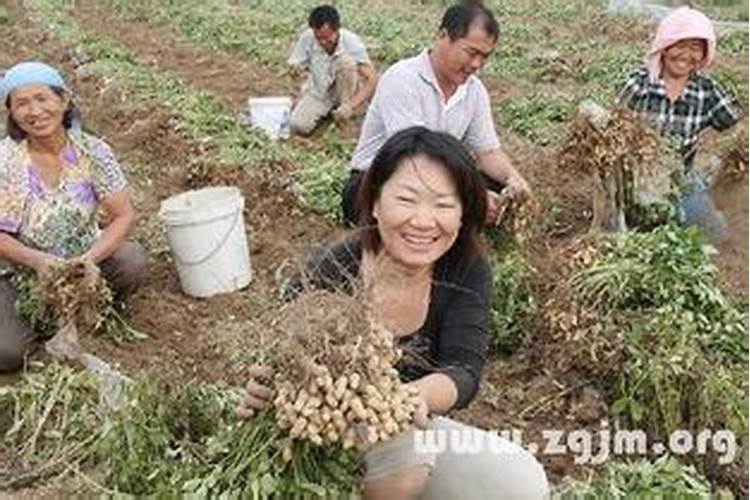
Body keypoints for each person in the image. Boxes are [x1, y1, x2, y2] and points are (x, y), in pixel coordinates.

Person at [238, 127, 549, 499]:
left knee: (518, 481)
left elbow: (463, 371)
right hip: (319, 433)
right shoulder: (327, 271)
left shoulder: (465, 268)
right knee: (406, 449)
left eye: (444, 204)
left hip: (402, 420)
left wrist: (405, 398)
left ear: (463, 212)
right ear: (374, 201)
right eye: (407, 199)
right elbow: (274, 361)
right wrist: (268, 384)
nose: (423, 220)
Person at [0, 61, 146, 372]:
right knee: (7, 352)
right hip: (20, 273)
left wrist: (89, 259)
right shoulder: (6, 161)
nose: (34, 111)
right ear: (10, 112)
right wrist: (38, 262)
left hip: (82, 262)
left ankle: (79, 307)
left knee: (131, 259)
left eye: (42, 99)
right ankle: (45, 319)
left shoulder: (93, 152)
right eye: (22, 103)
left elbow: (123, 215)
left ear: (64, 101)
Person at [340, 2, 531, 226]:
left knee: (500, 188)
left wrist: (514, 179)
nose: (476, 64)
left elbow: (487, 151)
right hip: (381, 178)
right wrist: (472, 196)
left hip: (435, 178)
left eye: (484, 57)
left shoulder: (474, 91)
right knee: (417, 197)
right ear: (442, 36)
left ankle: (456, 213)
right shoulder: (403, 79)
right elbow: (412, 158)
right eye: (471, 52)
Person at [617, 6, 739, 238]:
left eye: (695, 48)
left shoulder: (706, 91)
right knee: (633, 234)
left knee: (717, 234)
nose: (685, 55)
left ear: (704, 55)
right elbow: (612, 133)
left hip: (680, 182)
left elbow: (734, 124)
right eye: (679, 45)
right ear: (664, 46)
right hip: (636, 182)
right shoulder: (638, 86)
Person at [287, 5, 378, 135]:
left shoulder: (351, 41)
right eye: (318, 38)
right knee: (298, 125)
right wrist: (295, 71)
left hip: (346, 90)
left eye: (327, 38)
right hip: (320, 91)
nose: (323, 42)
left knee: (345, 62)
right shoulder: (308, 38)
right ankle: (329, 112)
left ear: (337, 30)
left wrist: (351, 104)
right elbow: (295, 66)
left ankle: (343, 111)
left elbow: (372, 79)